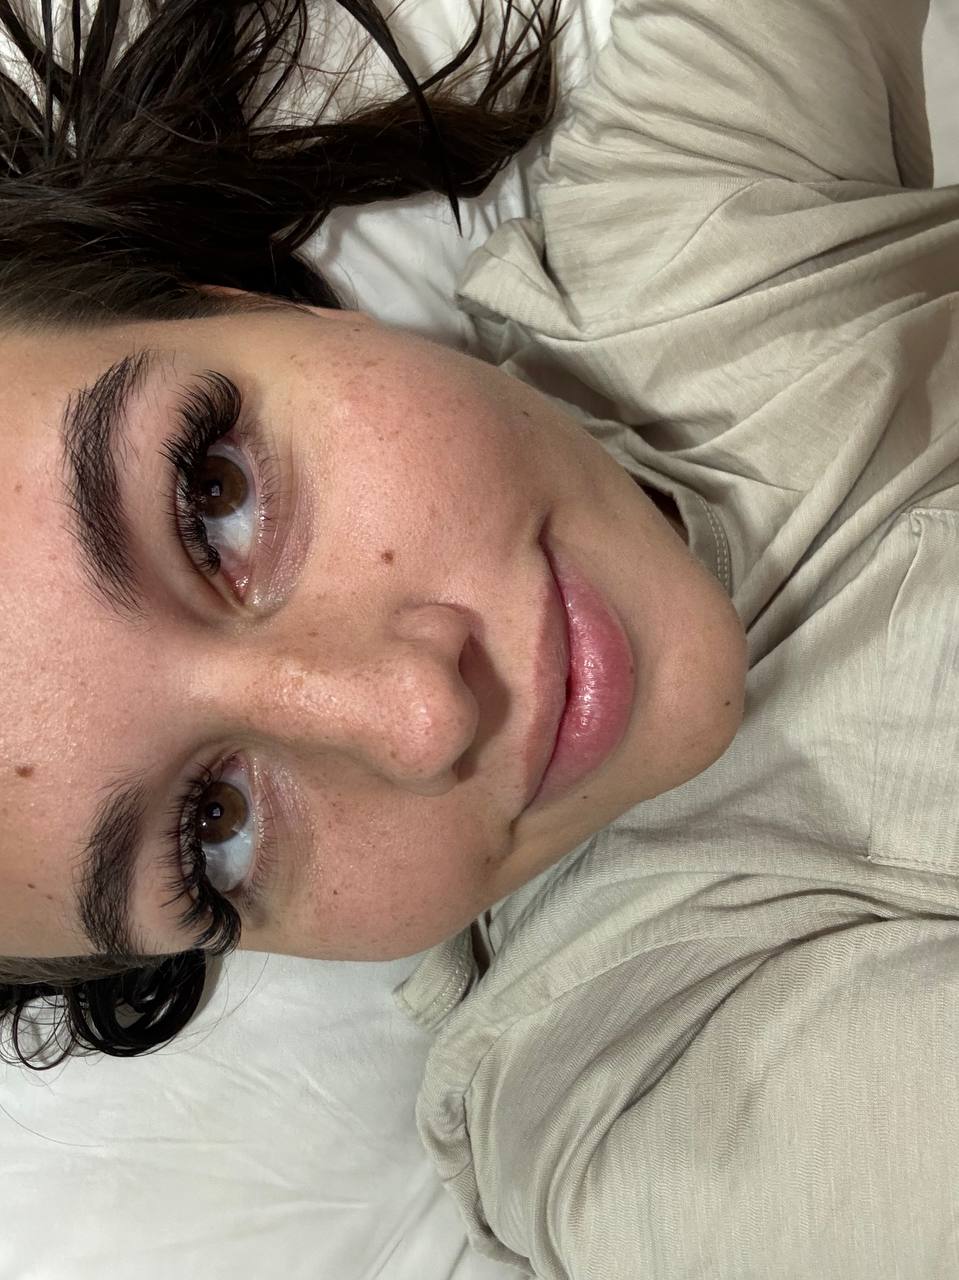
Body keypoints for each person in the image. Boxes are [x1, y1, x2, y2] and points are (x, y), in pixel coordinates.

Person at [2, 0, 958, 1272]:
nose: (418, 714)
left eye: (212, 495)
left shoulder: (669, 245)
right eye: (211, 829)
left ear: (252, 305)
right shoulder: (636, 1102)